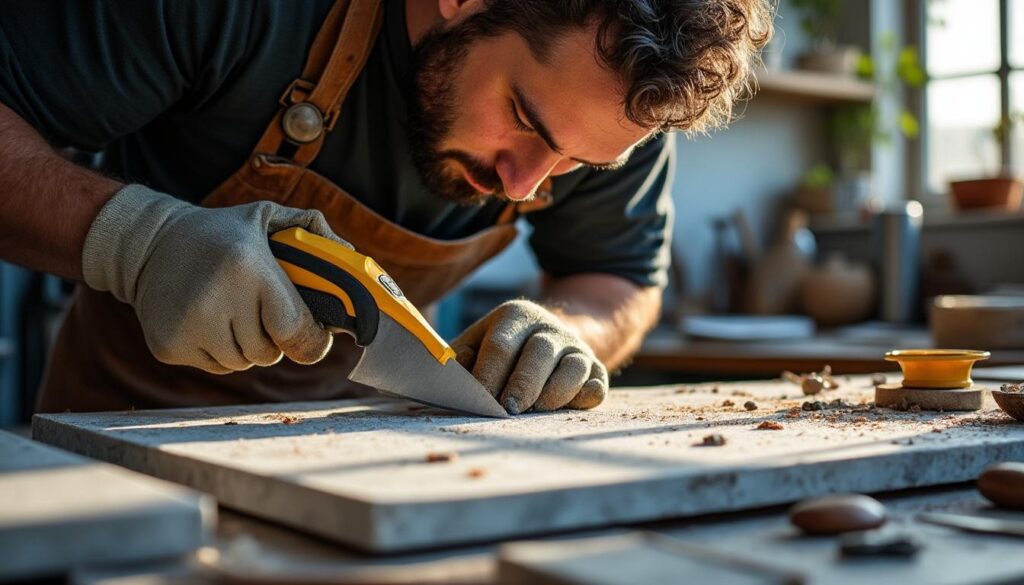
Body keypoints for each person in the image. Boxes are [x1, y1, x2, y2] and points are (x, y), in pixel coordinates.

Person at [0, 0, 772, 414]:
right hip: (121, 451)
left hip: (348, 463)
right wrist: (135, 240)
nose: (525, 183)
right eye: (526, 123)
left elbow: (619, 277)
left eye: (575, 164)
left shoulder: (612, 100)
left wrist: (569, 331)